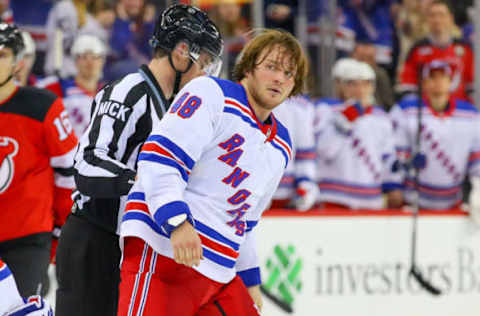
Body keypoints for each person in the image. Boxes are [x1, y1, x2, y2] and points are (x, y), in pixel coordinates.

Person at [118, 28, 308, 315]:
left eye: (288, 74)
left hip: (218, 273)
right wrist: (176, 221)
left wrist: (250, 279)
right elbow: (160, 158)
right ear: (248, 67)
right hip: (164, 250)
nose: (279, 78)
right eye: (271, 67)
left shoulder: (282, 144)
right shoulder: (211, 93)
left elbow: (246, 219)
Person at [55, 4, 223, 316]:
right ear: (181, 51)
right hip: (94, 239)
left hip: (127, 247)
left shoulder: (173, 107)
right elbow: (87, 163)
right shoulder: (129, 91)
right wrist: (147, 182)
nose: (205, 73)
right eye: (204, 62)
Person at [0, 23, 77, 297]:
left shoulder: (44, 106)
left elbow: (69, 175)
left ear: (19, 63)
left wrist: (60, 236)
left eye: (2, 55)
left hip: (28, 242)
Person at [391, 60, 480, 211]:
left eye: (442, 77)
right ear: (424, 83)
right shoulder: (405, 110)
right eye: (432, 77)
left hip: (453, 203)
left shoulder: (470, 114)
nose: (438, 82)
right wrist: (397, 180)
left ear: (450, 82)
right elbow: (393, 152)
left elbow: (476, 158)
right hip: (413, 202)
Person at [314, 58, 403, 209]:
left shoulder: (381, 118)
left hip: (370, 200)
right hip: (334, 198)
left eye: (365, 83)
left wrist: (393, 186)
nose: (359, 89)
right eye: (352, 83)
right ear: (342, 86)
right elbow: (324, 151)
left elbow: (388, 156)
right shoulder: (326, 110)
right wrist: (344, 121)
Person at [397, 0, 473, 101]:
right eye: (433, 15)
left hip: (461, 111)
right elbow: (407, 86)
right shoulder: (417, 49)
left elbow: (473, 85)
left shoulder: (465, 49)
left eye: (441, 15)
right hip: (426, 112)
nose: (437, 20)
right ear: (427, 19)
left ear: (451, 18)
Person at [37, 34, 106, 137]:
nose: (90, 62)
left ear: (102, 61)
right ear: (75, 60)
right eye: (84, 57)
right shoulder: (57, 87)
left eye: (95, 57)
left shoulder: (109, 92)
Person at [271, 95, 318, 210]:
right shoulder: (242, 99)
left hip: (286, 198)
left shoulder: (302, 107)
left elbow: (305, 155)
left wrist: (306, 185)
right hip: (243, 197)